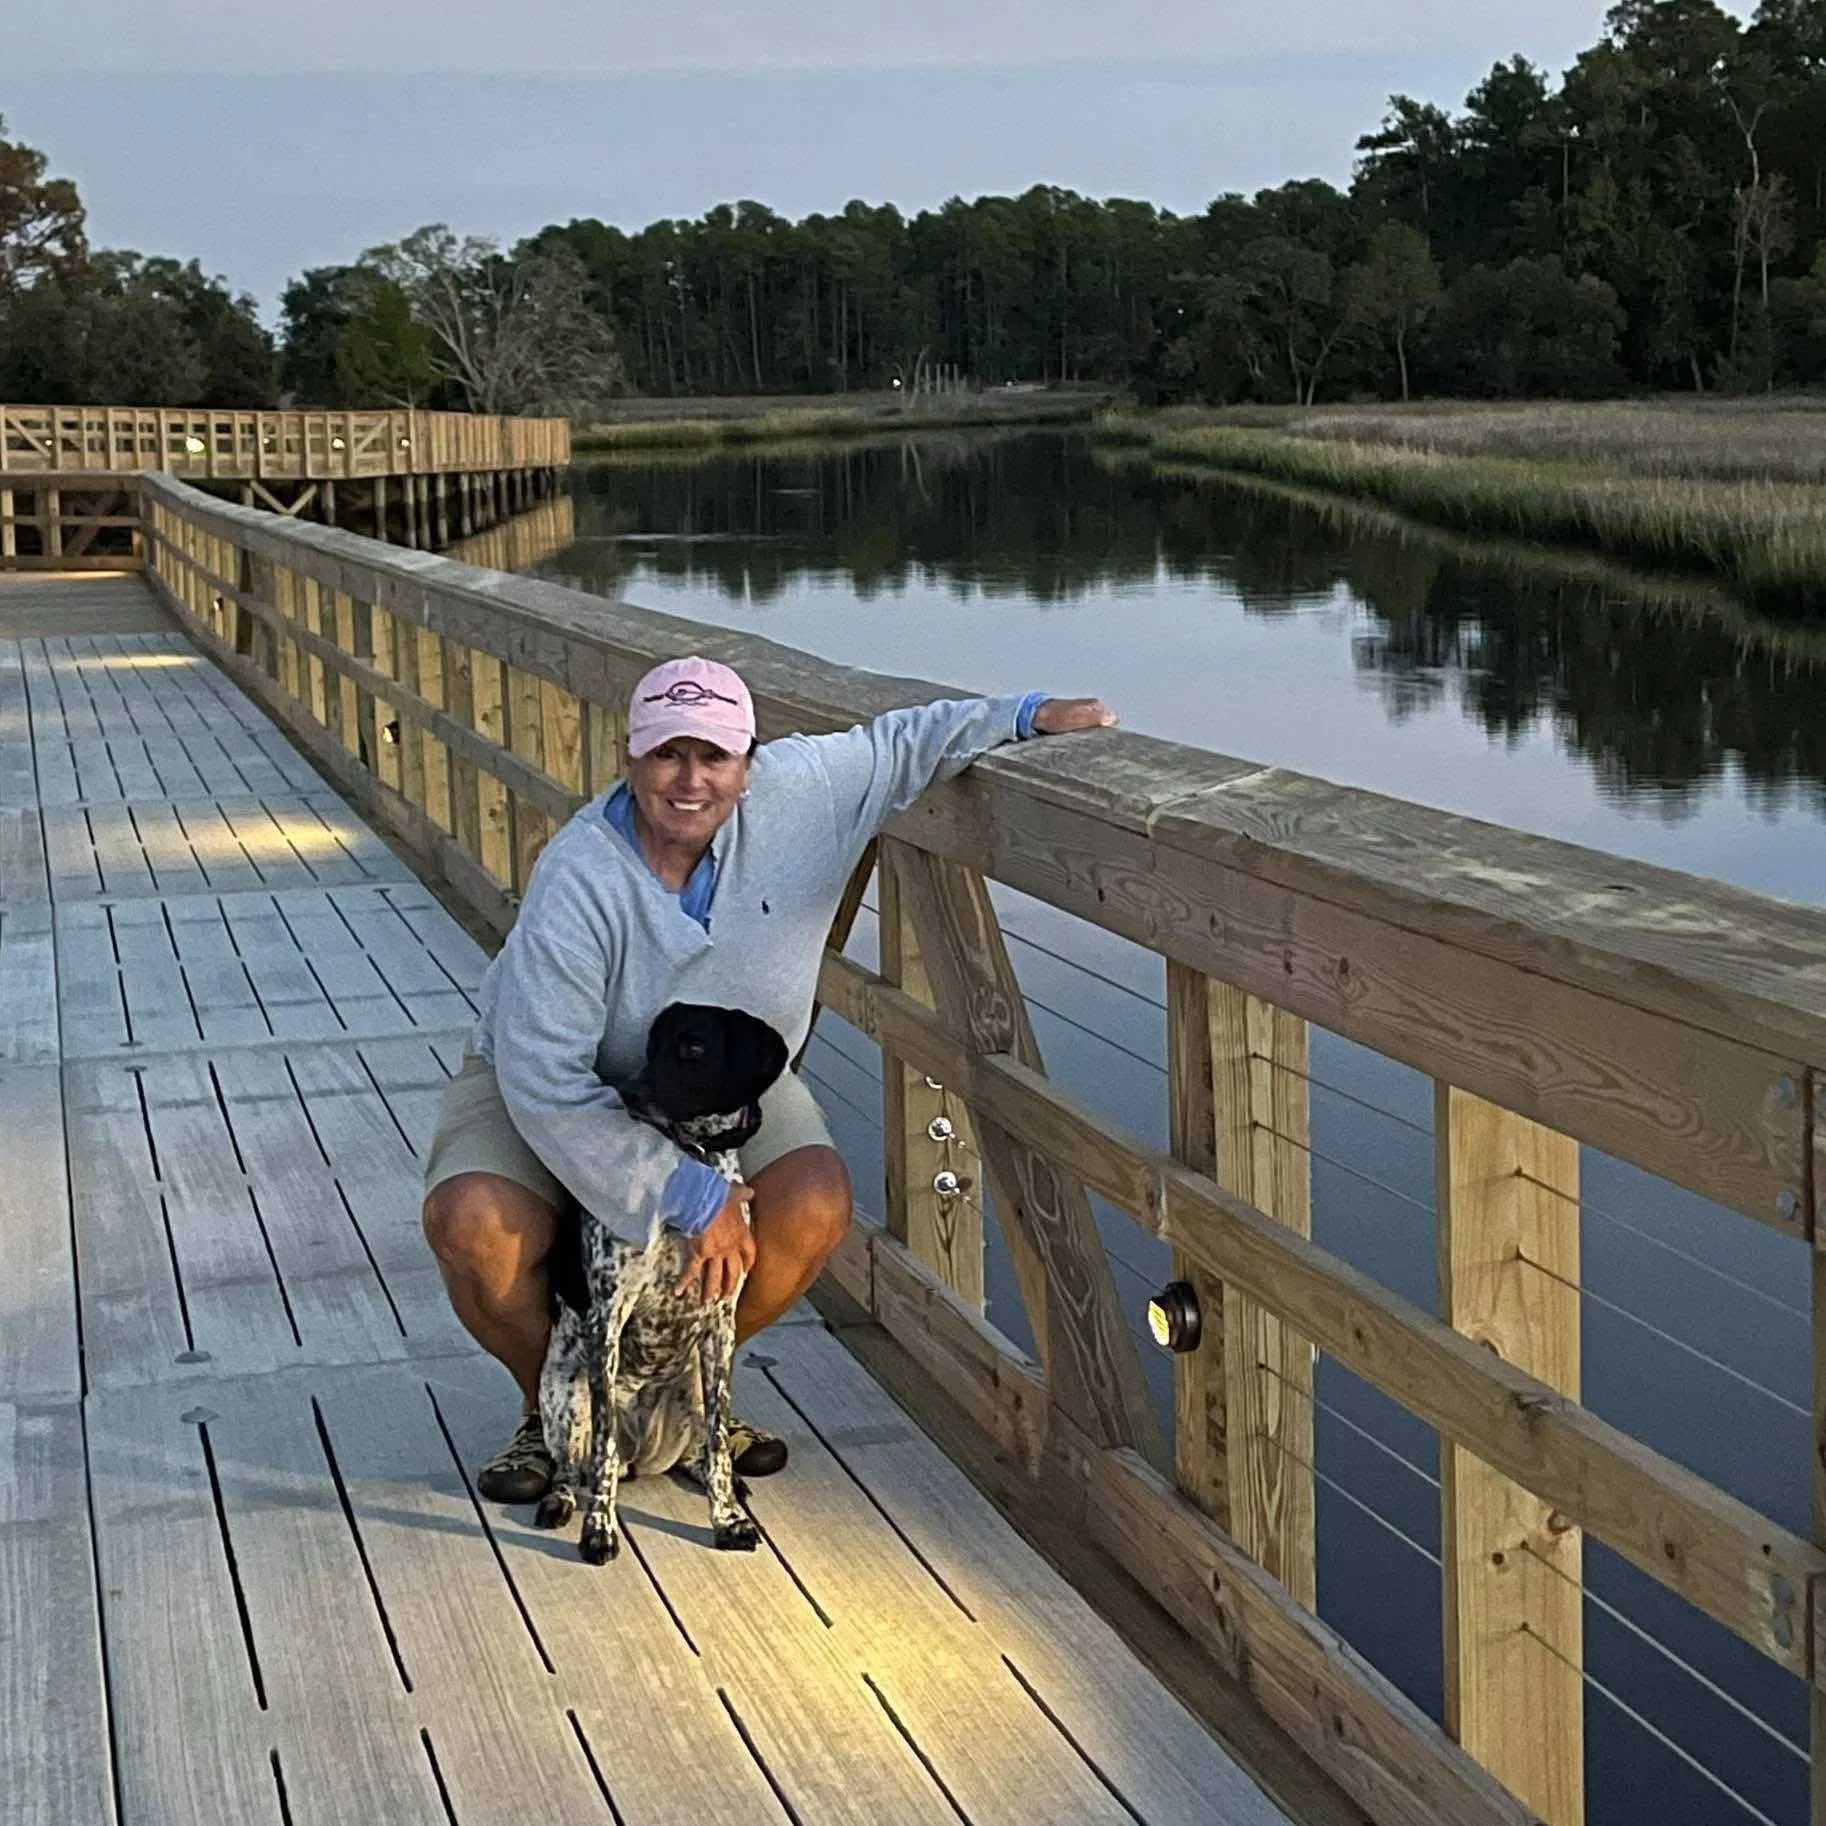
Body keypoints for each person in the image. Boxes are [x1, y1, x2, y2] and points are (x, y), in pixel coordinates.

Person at [421, 654, 1117, 1502]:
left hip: (724, 1082)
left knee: (814, 1203)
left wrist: (1026, 713)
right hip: (570, 1079)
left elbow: (905, 741)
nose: (690, 780)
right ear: (629, 759)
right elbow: (544, 1079)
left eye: (714, 756)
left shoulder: (802, 790)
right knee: (474, 1225)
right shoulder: (579, 874)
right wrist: (689, 1193)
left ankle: (689, 1394)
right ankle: (555, 1406)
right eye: (667, 754)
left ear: (748, 765)